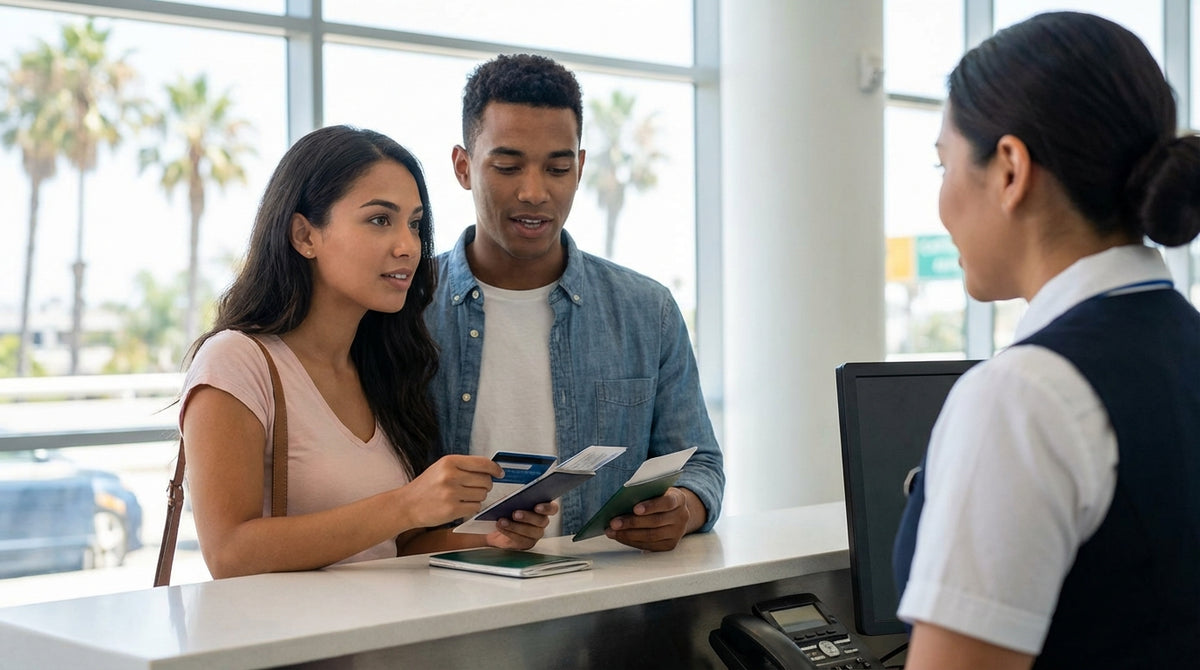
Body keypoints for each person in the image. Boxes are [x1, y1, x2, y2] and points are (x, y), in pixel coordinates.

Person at [892, 11, 1200, 670]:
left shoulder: (1025, 395)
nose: (941, 202)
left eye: (943, 164)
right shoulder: (1182, 345)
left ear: (1009, 169)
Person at [179, 125, 556, 579]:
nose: (408, 247)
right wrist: (405, 504)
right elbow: (229, 554)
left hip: (383, 642)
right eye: (380, 220)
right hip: (294, 646)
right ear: (304, 236)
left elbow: (394, 547)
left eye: (415, 225)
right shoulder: (236, 362)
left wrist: (493, 535)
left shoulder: (383, 365)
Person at [426, 53, 724, 552]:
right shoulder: (406, 306)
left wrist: (685, 508)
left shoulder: (647, 312)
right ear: (463, 167)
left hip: (595, 604)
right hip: (434, 599)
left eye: (558, 167)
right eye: (507, 165)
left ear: (580, 168)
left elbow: (700, 462)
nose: (535, 191)